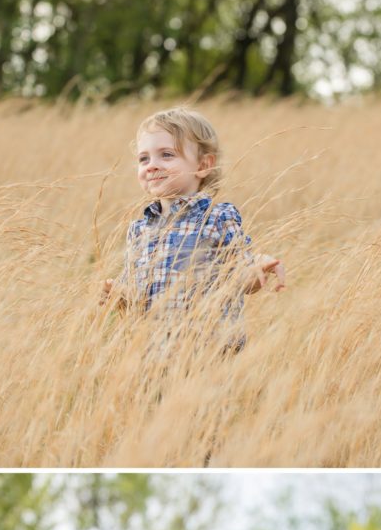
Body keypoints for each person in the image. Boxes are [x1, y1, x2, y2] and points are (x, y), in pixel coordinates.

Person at [101, 107, 285, 353]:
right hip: (151, 355)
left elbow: (240, 273)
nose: (152, 166)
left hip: (208, 354)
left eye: (166, 155)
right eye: (143, 158)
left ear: (203, 165)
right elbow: (137, 297)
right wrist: (118, 294)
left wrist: (258, 267)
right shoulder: (139, 228)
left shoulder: (217, 218)